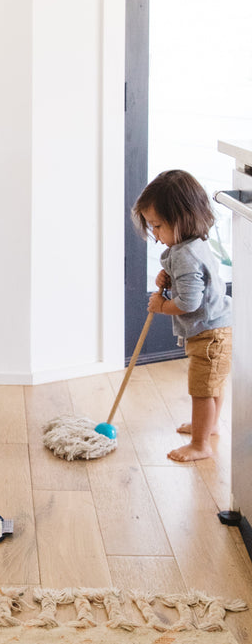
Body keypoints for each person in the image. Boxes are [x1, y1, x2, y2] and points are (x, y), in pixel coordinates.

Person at [132, 169, 232, 462]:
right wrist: (169, 276)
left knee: (202, 390)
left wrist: (161, 307)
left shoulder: (185, 255)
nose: (155, 234)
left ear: (183, 218)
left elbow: (188, 302)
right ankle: (209, 426)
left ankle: (201, 445)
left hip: (210, 334)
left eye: (158, 226)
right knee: (212, 385)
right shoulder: (193, 245)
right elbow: (195, 280)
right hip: (217, 329)